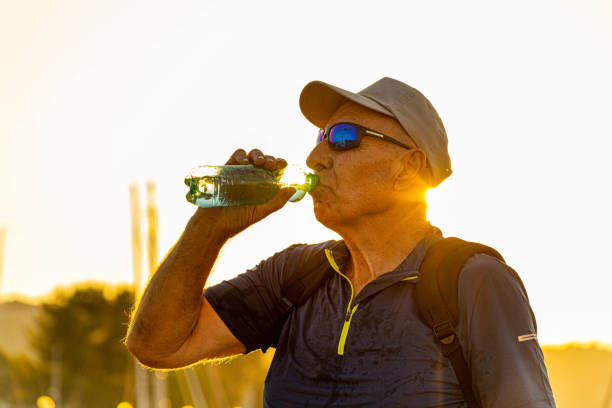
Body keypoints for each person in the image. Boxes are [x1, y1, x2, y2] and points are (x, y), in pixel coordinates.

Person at [126, 77, 556, 407]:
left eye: (343, 138)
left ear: (407, 168)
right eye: (318, 139)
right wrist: (210, 227)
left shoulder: (471, 281)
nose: (316, 157)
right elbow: (156, 345)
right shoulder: (294, 276)